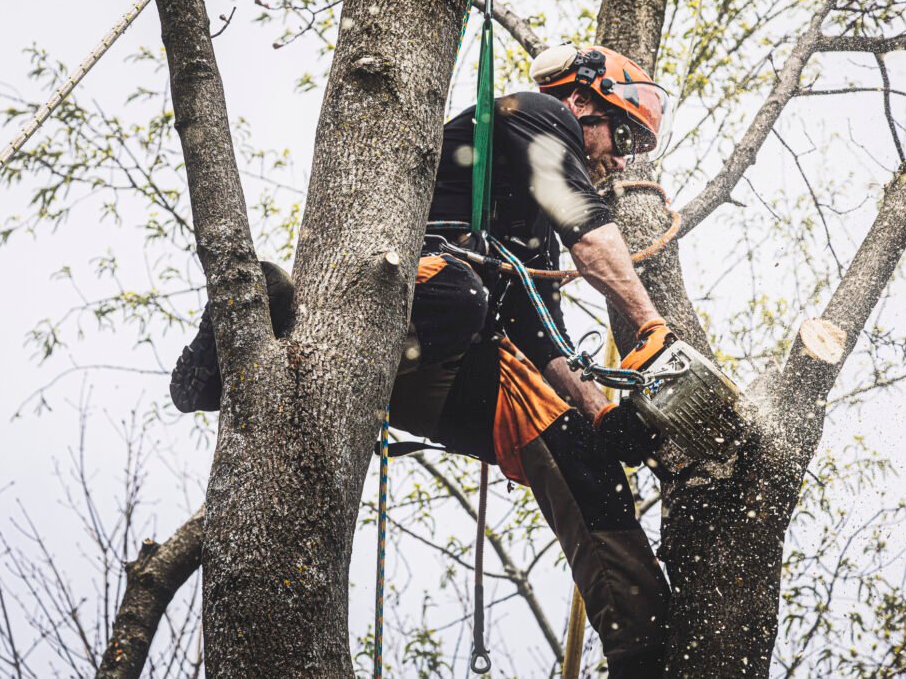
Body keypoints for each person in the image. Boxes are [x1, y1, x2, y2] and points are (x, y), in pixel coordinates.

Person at [170, 45, 677, 677]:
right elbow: (587, 222)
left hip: (444, 355)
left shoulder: (532, 236)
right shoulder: (535, 115)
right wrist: (649, 324)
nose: (621, 157)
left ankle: (645, 643)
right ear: (581, 103)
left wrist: (602, 417)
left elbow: (544, 341)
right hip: (402, 302)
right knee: (462, 296)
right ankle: (259, 324)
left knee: (580, 449)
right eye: (621, 134)